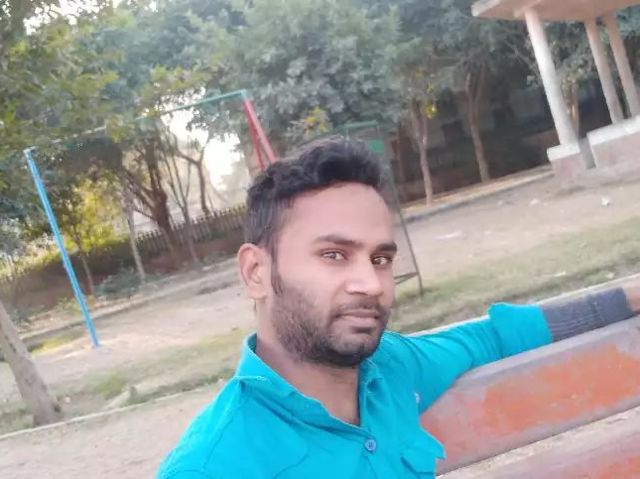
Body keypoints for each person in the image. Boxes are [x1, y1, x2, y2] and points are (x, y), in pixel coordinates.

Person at [158, 138, 640, 479]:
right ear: (256, 272)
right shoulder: (212, 467)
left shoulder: (389, 370)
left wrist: (628, 298)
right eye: (334, 255)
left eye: (381, 259)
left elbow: (493, 336)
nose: (371, 284)